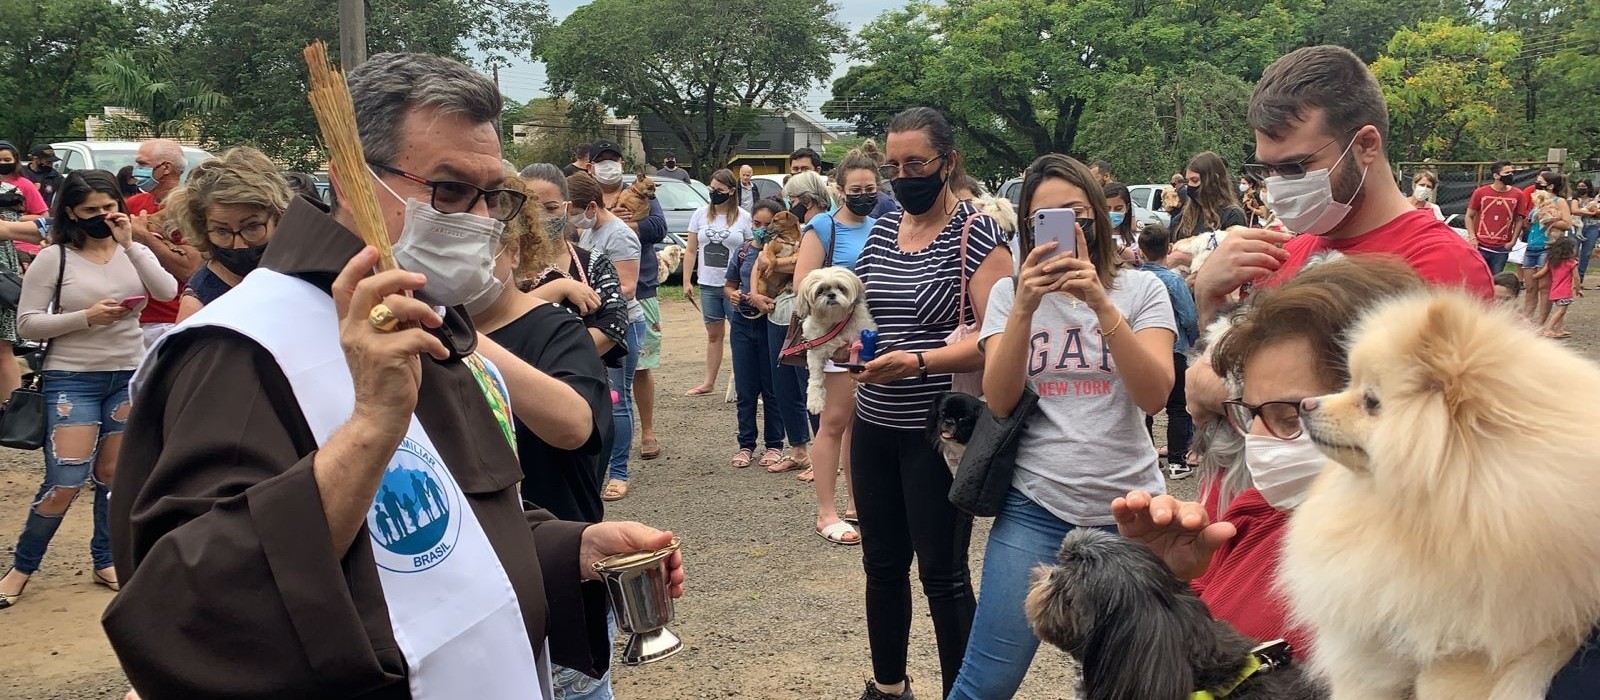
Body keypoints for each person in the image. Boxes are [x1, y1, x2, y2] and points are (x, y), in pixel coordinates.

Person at [101, 52, 683, 697]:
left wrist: (565, 549)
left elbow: (454, 525)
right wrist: (371, 426)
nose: (481, 219)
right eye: (450, 189)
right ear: (350, 182)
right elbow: (193, 602)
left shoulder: (422, 318)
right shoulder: (240, 347)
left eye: (494, 196)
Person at [1115, 256, 1425, 662]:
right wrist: (1163, 580)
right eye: (1251, 412)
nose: (1259, 439)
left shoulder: (1430, 599)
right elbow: (1187, 654)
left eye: (1293, 415)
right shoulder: (1257, 513)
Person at [946, 154, 1176, 700]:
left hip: (1134, 511)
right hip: (1037, 504)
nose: (1065, 229)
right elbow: (999, 401)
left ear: (1099, 216)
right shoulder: (1008, 296)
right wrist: (1024, 307)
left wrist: (1098, 300)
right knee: (987, 680)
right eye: (1044, 219)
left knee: (1137, 682)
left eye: (1076, 214)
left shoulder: (1142, 291)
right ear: (1028, 228)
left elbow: (1155, 394)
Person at [849, 107, 1013, 700]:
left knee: (943, 576)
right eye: (893, 165)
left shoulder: (978, 235)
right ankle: (888, 688)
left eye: (915, 163)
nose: (902, 175)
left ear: (948, 162)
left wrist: (917, 362)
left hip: (938, 432)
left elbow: (997, 343)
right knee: (881, 568)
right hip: (874, 423)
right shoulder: (883, 230)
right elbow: (866, 315)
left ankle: (959, 694)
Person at [1195, 44, 1494, 327]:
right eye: (1267, 168)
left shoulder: (1440, 266)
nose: (1276, 184)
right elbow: (1230, 370)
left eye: (1295, 167)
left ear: (1365, 145)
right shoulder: (1285, 254)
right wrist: (1210, 298)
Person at [465, 175, 618, 700]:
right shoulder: (418, 334)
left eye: (483, 247)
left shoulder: (553, 328)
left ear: (514, 253)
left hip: (555, 573)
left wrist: (466, 340)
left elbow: (575, 426)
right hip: (470, 581)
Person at [0, 169, 178, 609]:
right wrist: (85, 318)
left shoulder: (129, 250)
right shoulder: (53, 258)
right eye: (91, 211)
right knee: (65, 479)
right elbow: (27, 323)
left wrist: (132, 243)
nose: (103, 216)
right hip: (72, 377)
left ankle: (106, 559)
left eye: (109, 207)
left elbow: (168, 288)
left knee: (113, 477)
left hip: (127, 374)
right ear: (71, 214)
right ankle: (22, 567)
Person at [794, 150, 883, 545]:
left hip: (869, 339)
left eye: (871, 189)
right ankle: (826, 511)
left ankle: (855, 503)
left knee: (857, 426)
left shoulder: (883, 226)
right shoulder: (822, 228)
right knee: (833, 424)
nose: (864, 194)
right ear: (840, 189)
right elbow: (804, 289)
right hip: (833, 343)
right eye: (856, 189)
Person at [588, 143, 668, 460]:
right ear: (591, 166)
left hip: (640, 286)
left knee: (641, 365)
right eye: (601, 161)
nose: (608, 166)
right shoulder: (587, 195)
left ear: (622, 164)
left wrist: (624, 224)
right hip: (594, 294)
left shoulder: (644, 191)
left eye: (613, 161)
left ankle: (647, 431)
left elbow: (659, 227)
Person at [567, 172, 644, 503]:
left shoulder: (619, 235)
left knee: (619, 400)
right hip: (596, 322)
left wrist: (585, 295)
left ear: (592, 206)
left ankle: (619, 473)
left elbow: (627, 286)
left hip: (622, 324)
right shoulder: (591, 231)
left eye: (573, 210)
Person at [516, 164, 627, 365]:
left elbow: (614, 324)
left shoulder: (594, 264)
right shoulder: (501, 264)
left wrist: (557, 360)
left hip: (581, 383)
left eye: (550, 208)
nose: (540, 217)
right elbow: (497, 315)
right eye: (531, 208)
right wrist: (560, 287)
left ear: (566, 208)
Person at [166, 147, 292, 322]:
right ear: (203, 229)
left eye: (252, 227)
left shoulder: (305, 274)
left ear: (277, 218)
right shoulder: (197, 307)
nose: (239, 245)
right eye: (222, 231)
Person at [723, 205, 786, 470]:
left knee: (772, 387)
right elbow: (729, 286)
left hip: (770, 324)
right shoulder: (743, 251)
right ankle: (746, 444)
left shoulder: (787, 254)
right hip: (742, 322)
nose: (762, 230)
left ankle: (775, 445)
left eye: (768, 224)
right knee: (746, 389)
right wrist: (735, 295)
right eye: (757, 223)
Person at [1137, 224, 1200, 480]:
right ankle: (1177, 460)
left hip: (1142, 350)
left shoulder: (1136, 279)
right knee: (1178, 407)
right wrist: (1194, 343)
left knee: (1145, 409)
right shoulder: (1173, 281)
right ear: (1169, 248)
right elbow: (1189, 316)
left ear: (1140, 251)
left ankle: (1150, 459)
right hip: (1174, 350)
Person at [682, 168, 752, 397]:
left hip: (733, 286)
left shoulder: (743, 217)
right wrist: (686, 281)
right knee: (714, 335)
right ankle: (708, 382)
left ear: (731, 191)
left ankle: (744, 384)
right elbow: (691, 250)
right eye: (712, 189)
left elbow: (751, 250)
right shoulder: (700, 214)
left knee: (740, 337)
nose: (714, 193)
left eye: (719, 190)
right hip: (708, 283)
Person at [126, 138, 202, 345]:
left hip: (170, 319)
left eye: (142, 164)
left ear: (165, 168)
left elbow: (190, 269)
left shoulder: (189, 209)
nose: (135, 170)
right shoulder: (134, 204)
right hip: (134, 319)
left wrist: (145, 237)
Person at [0, 176, 44, 401]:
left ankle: (10, 414)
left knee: (2, 349)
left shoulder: (6, 191)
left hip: (2, 282)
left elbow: (11, 229)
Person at [1522, 171, 1574, 323]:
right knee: (1530, 287)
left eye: (1540, 182)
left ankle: (1541, 322)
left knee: (1544, 287)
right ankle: (1527, 319)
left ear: (1550, 186)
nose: (1536, 184)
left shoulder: (1559, 201)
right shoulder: (1537, 200)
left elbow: (1567, 224)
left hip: (1547, 246)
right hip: (1531, 246)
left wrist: (1548, 220)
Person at [1466, 160, 1532, 274]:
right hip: (1481, 245)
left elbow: (1519, 219)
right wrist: (1472, 237)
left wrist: (1513, 241)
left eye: (1512, 172)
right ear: (1496, 175)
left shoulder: (1518, 195)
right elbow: (1469, 216)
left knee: (1496, 279)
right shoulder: (1480, 192)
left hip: (1502, 247)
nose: (1511, 175)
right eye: (1507, 173)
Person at [1171, 151, 1247, 241]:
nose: (1190, 186)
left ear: (1214, 181)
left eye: (1195, 180)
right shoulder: (1183, 218)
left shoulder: (1232, 215)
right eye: (1188, 181)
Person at [1538, 234, 1580, 339]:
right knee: (1561, 311)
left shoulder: (1552, 262)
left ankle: (1559, 329)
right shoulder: (1572, 263)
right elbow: (1577, 278)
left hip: (1554, 291)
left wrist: (1533, 276)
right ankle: (1548, 329)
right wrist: (1578, 289)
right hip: (1565, 292)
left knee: (1560, 311)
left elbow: (1542, 273)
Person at [0, 143, 49, 218]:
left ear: (15, 161)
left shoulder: (25, 184)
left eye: (7, 160)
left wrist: (15, 218)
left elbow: (44, 216)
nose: (2, 163)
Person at [1102, 182, 1140, 265]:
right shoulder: (1093, 239)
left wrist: (1117, 248)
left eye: (1118, 209)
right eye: (1107, 208)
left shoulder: (1137, 240)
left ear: (1127, 208)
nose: (1111, 213)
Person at [1573, 180, 1600, 286]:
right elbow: (1574, 210)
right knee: (1573, 253)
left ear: (1588, 187)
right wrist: (1591, 212)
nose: (1581, 188)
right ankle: (1572, 280)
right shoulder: (1575, 199)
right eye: (1579, 186)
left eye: (1583, 186)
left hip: (1592, 227)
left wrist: (1585, 212)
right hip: (1577, 226)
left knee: (1586, 254)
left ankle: (1579, 280)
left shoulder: (1595, 199)